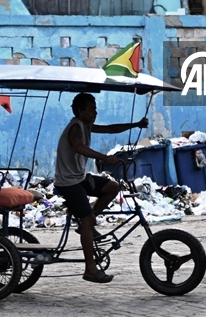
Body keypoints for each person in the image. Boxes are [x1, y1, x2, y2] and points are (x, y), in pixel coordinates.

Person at [53, 92, 147, 283]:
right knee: (88, 219)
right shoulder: (75, 127)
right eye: (91, 109)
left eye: (95, 109)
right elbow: (78, 146)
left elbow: (110, 129)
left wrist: (135, 124)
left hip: (80, 178)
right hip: (68, 182)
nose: (95, 112)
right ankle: (90, 269)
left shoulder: (86, 125)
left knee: (112, 187)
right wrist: (103, 157)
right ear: (80, 111)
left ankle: (86, 225)